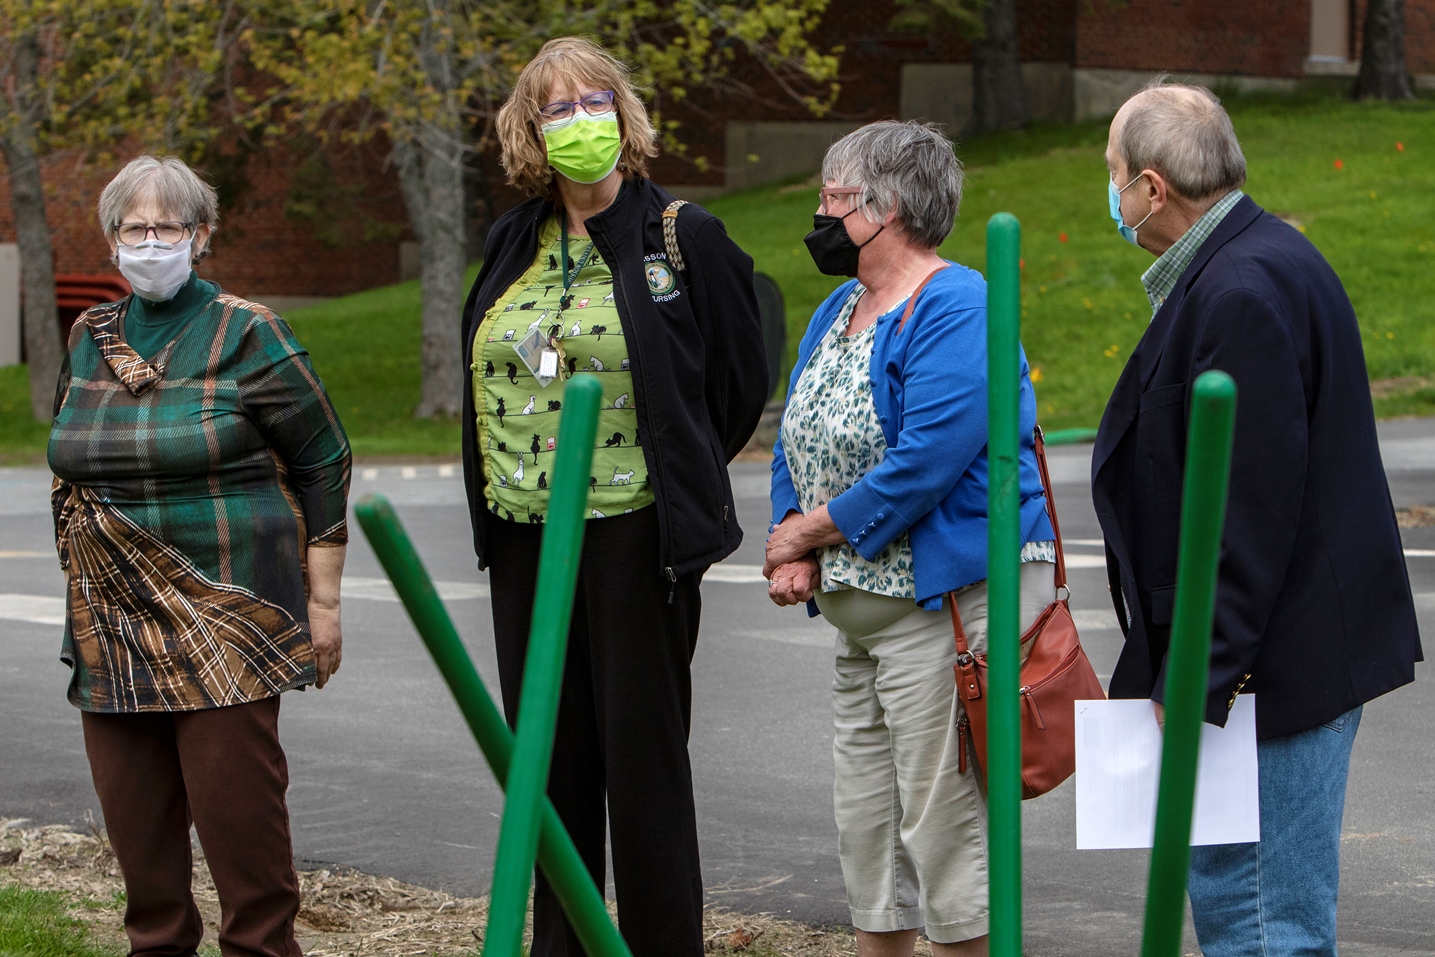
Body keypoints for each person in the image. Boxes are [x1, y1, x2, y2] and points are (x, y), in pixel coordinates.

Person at [1095, 81, 1423, 955]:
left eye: (1115, 175)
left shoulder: (1238, 287)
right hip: (1274, 657)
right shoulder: (1256, 255)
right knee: (1247, 909)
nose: (1113, 195)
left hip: (1269, 669)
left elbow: (1248, 510)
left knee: (1259, 919)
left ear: (1152, 188)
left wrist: (1193, 675)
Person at [459, 37, 767, 956]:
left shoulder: (681, 234)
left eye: (596, 102)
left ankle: (665, 944)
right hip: (523, 537)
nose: (579, 121)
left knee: (642, 772)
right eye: (557, 108)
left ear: (623, 118)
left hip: (636, 536)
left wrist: (674, 465)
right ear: (529, 130)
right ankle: (566, 945)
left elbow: (736, 382)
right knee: (550, 770)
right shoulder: (511, 238)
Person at [48, 154, 351, 957]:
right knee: (142, 859)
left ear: (201, 235)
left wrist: (321, 603)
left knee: (243, 844)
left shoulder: (249, 331)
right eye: (134, 228)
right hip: (110, 624)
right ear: (112, 239)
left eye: (168, 227)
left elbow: (324, 458)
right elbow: (69, 456)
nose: (151, 243)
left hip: (225, 619)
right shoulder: (88, 337)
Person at [765, 120, 1055, 957]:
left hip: (943, 609)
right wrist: (798, 543)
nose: (818, 212)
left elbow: (929, 459)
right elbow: (802, 428)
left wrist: (808, 533)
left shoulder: (957, 304)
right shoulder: (839, 305)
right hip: (860, 610)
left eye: (831, 197)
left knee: (942, 823)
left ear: (882, 206)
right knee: (864, 821)